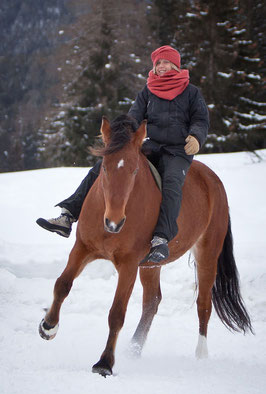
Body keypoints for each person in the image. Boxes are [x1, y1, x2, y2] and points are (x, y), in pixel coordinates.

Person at [37, 45, 209, 263]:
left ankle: (161, 238)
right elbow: (133, 118)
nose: (162, 67)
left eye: (167, 63)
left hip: (178, 151)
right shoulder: (148, 91)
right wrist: (120, 140)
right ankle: (68, 215)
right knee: (103, 167)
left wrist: (196, 136)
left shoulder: (191, 92)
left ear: (176, 65)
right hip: (151, 146)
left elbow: (201, 119)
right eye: (158, 63)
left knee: (172, 182)